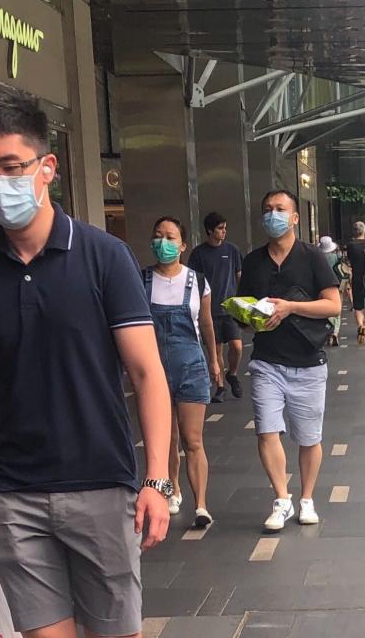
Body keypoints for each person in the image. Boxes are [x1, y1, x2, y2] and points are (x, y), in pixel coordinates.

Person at [0, 89, 171, 638]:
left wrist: (159, 480)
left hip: (100, 482)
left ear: (46, 167)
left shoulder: (104, 257)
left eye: (10, 166)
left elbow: (147, 374)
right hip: (12, 496)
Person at [237, 190, 341, 532]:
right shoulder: (252, 261)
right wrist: (252, 316)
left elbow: (333, 305)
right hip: (267, 361)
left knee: (309, 437)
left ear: (295, 217)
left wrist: (291, 307)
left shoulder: (312, 257)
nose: (273, 215)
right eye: (267, 210)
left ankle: (307, 498)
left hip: (309, 363)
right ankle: (282, 498)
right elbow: (246, 306)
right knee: (267, 430)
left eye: (280, 209)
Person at [145, 216, 221, 527]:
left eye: (171, 237)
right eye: (158, 235)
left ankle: (201, 505)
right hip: (153, 370)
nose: (163, 242)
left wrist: (214, 360)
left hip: (190, 365)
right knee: (165, 439)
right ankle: (171, 490)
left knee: (192, 440)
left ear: (183, 244)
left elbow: (205, 324)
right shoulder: (141, 280)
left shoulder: (198, 281)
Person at [188, 212, 244, 403]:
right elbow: (195, 281)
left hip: (230, 308)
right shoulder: (198, 254)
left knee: (237, 346)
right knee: (216, 351)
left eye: (225, 228)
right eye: (220, 228)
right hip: (209, 312)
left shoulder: (232, 250)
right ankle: (220, 386)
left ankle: (233, 373)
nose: (224, 232)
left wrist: (244, 299)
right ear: (209, 231)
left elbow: (239, 275)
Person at [319, 235, 343, 347]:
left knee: (324, 310)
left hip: (321, 286)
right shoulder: (335, 257)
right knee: (336, 311)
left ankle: (327, 332)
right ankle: (335, 333)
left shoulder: (318, 257)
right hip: (336, 284)